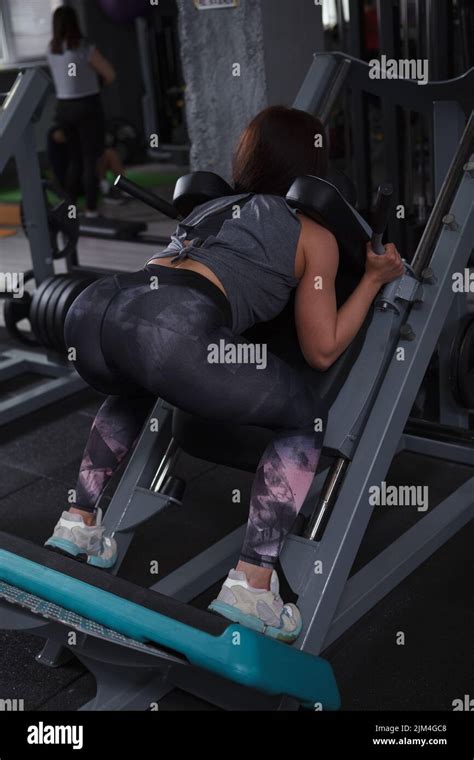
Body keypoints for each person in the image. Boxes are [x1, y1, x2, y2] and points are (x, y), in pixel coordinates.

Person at [45, 106, 404, 642]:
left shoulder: (213, 205)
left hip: (94, 306)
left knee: (135, 382)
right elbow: (323, 349)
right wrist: (374, 278)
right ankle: (253, 584)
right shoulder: (313, 233)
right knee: (305, 418)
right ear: (316, 164)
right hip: (173, 328)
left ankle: (78, 522)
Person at [46, 6, 116, 217]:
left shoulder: (52, 48)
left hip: (64, 109)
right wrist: (94, 84)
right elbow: (110, 74)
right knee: (90, 159)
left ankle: (70, 210)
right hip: (87, 106)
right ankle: (92, 210)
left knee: (74, 160)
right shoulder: (84, 47)